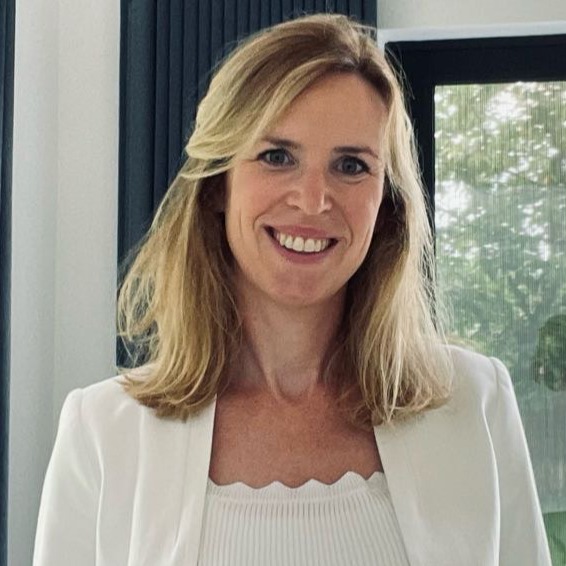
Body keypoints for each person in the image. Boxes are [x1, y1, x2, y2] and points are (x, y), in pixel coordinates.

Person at [33, 13, 551, 566]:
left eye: (350, 165)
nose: (312, 199)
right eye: (277, 157)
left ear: (387, 205)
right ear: (217, 185)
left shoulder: (476, 404)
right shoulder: (101, 433)